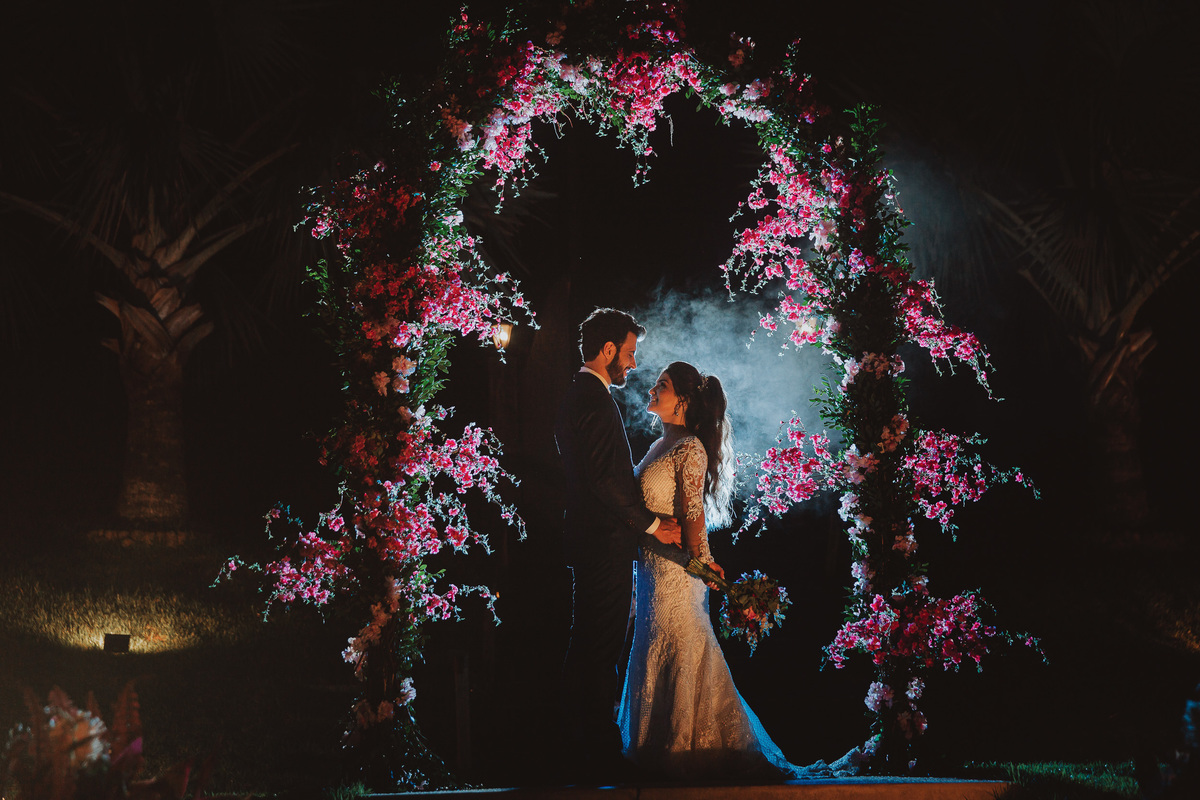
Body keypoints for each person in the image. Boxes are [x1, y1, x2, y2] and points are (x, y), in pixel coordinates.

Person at [618, 361, 850, 780]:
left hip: (675, 577)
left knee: (682, 650)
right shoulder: (659, 444)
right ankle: (654, 750)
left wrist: (705, 567)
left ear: (683, 401)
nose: (651, 389)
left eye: (662, 385)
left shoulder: (689, 447)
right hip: (651, 573)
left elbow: (692, 517)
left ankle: (692, 751)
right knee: (653, 650)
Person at [554, 308, 683, 781]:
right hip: (602, 543)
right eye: (628, 353)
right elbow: (605, 480)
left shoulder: (584, 395)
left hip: (595, 541)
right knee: (597, 646)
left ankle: (580, 747)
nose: (632, 364)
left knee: (589, 643)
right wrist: (651, 525)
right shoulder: (591, 398)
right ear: (607, 350)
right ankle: (595, 752)